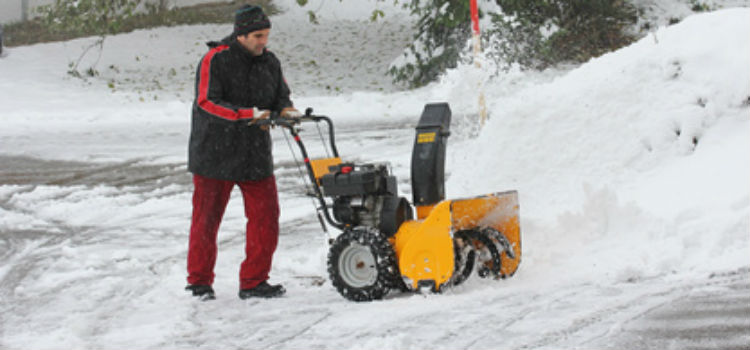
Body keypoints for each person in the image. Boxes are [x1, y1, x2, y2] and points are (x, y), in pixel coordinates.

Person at [185, 4, 300, 301]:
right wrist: (247, 114)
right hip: (214, 153)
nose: (264, 42)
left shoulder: (270, 62)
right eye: (258, 36)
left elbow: (280, 96)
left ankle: (254, 281)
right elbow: (206, 102)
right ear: (241, 35)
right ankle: (199, 282)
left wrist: (286, 111)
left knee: (266, 217)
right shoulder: (215, 59)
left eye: (266, 35)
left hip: (254, 153)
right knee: (206, 220)